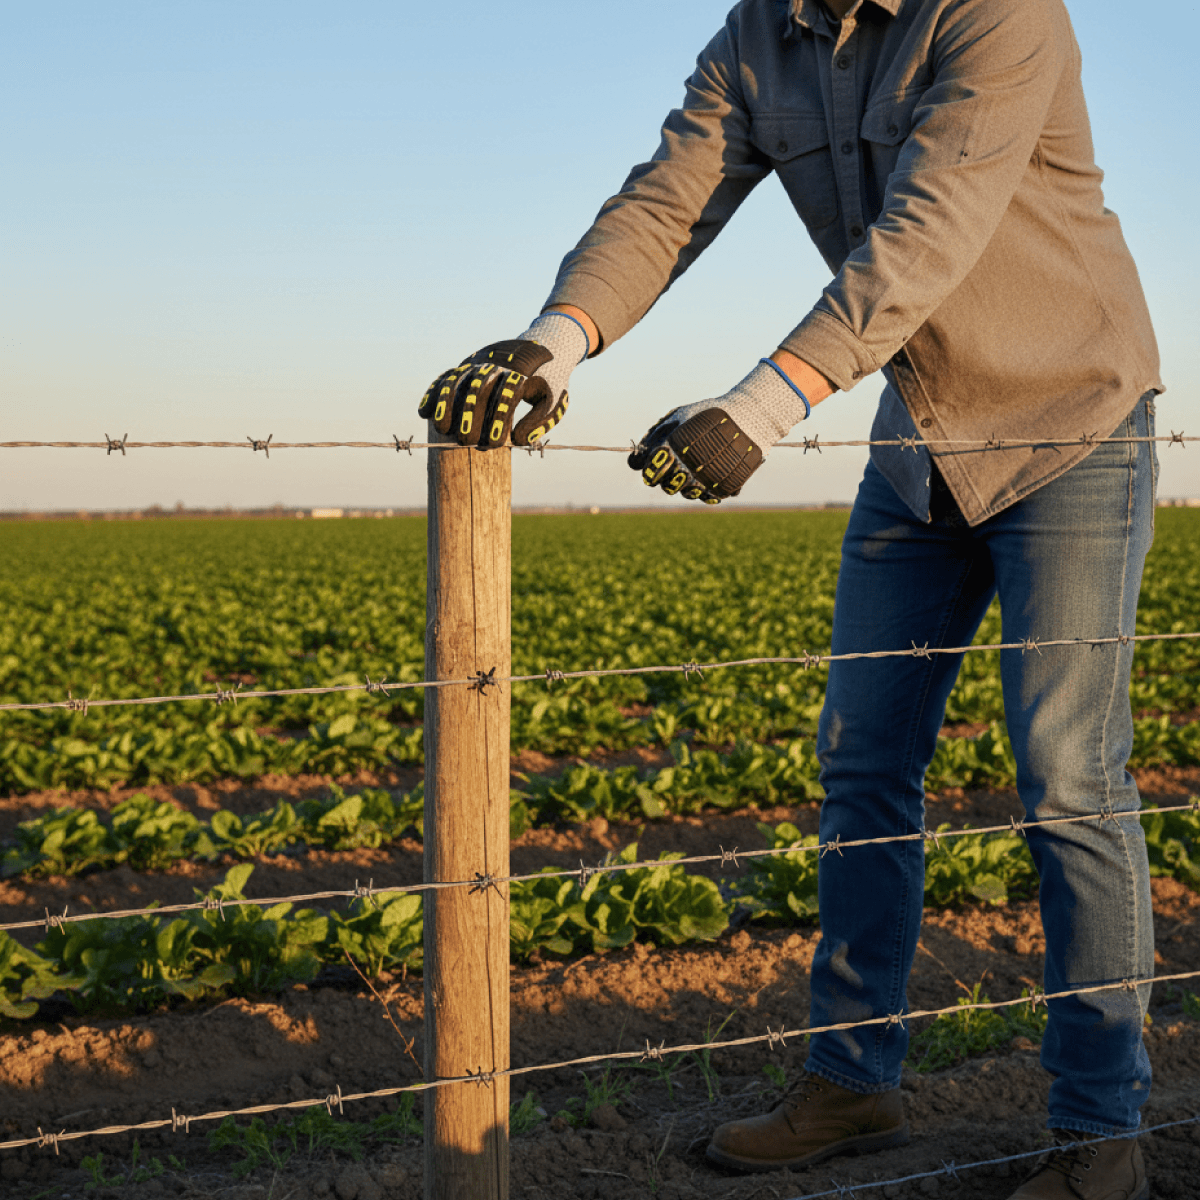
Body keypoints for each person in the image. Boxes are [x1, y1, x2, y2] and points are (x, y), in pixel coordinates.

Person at [418, 1, 1161, 1196]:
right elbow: (665, 202)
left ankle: (1098, 1132)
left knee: (1068, 775)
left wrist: (762, 405)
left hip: (1070, 423)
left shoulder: (999, 11)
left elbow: (929, 230)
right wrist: (553, 342)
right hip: (921, 438)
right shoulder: (758, 36)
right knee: (863, 765)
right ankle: (854, 1081)